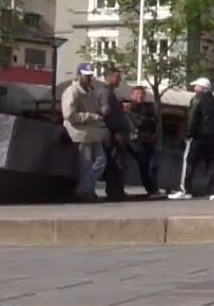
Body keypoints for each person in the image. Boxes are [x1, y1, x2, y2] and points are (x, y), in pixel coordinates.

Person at [170, 78, 214, 200]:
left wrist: (188, 134)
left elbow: (192, 118)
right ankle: (213, 192)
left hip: (198, 136)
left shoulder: (196, 100)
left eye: (196, 86)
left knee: (189, 162)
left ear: (202, 88)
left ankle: (185, 190)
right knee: (211, 164)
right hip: (213, 138)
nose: (195, 88)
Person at [61, 63, 108, 202]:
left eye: (90, 75)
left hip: (93, 133)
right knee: (86, 165)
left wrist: (100, 116)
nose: (89, 78)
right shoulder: (72, 91)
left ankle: (85, 188)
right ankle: (86, 191)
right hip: (80, 134)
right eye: (86, 76)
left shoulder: (91, 92)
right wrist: (91, 116)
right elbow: (69, 115)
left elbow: (95, 110)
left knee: (100, 162)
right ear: (79, 75)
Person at [124, 86, 160, 196]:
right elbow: (137, 123)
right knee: (143, 165)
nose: (140, 96)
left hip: (148, 140)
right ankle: (151, 189)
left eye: (142, 94)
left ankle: (153, 189)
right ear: (132, 95)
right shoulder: (128, 107)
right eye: (137, 94)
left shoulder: (149, 108)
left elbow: (155, 123)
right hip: (134, 140)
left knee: (151, 166)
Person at [100, 68, 130, 200]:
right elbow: (107, 115)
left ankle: (117, 190)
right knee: (114, 163)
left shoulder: (112, 93)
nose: (119, 80)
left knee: (118, 163)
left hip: (117, 134)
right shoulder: (106, 93)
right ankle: (114, 191)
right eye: (117, 77)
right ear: (109, 77)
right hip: (113, 135)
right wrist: (115, 132)